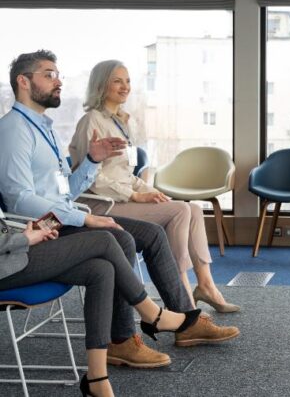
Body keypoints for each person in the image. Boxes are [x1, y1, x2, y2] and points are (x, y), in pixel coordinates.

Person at [0, 50, 239, 370]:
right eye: (49, 75)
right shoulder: (14, 130)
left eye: (58, 75)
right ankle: (124, 337)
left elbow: (63, 192)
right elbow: (18, 199)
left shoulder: (46, 129)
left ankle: (181, 322)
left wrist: (92, 161)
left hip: (59, 219)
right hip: (39, 230)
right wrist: (82, 217)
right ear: (23, 82)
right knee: (119, 237)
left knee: (151, 233)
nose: (58, 82)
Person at [69, 60, 238, 313]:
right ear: (102, 85)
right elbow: (92, 178)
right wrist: (135, 195)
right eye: (117, 81)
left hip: (122, 198)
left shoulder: (121, 123)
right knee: (181, 211)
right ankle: (181, 293)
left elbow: (127, 172)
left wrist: (147, 191)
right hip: (100, 204)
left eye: (127, 81)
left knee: (192, 209)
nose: (125, 87)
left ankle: (205, 285)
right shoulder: (91, 121)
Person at [0, 218, 207, 397]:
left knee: (101, 270)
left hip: (13, 249)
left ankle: (96, 379)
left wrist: (23, 234)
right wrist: (24, 239)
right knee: (106, 240)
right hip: (7, 262)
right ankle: (152, 314)